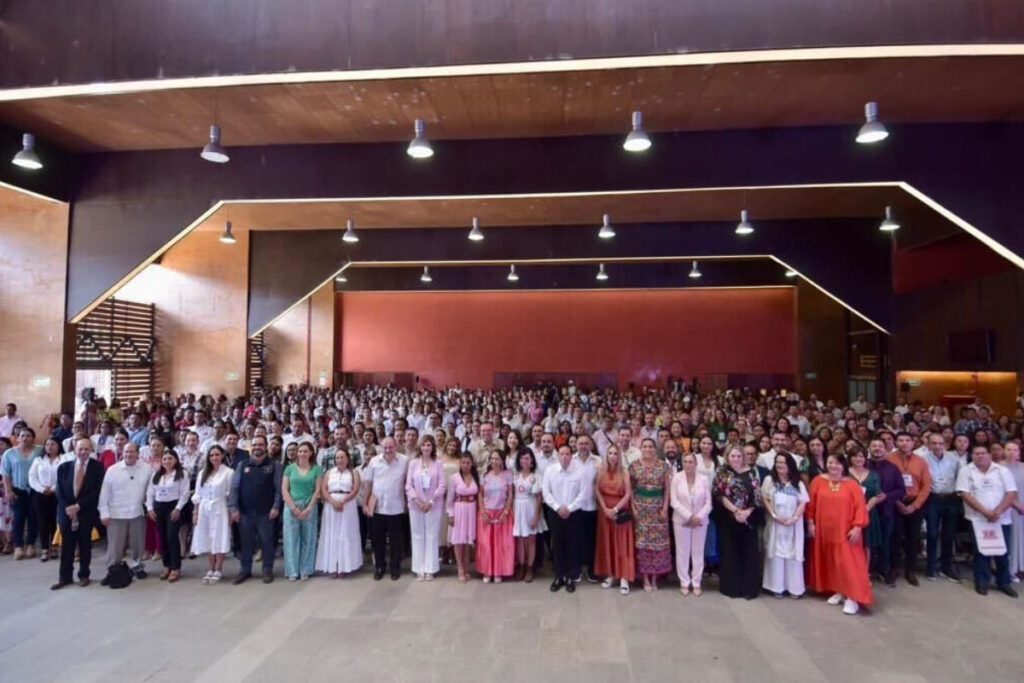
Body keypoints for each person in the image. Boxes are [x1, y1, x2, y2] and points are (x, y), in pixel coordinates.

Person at [807, 453, 873, 614]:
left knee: (849, 563)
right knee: (832, 561)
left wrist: (857, 527)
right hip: (824, 530)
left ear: (843, 466)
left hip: (846, 531)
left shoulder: (852, 485)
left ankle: (853, 597)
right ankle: (840, 590)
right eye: (830, 462)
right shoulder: (817, 481)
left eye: (837, 463)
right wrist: (810, 523)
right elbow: (810, 505)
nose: (833, 466)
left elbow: (860, 508)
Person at [956, 444, 1018, 598]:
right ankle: (982, 581)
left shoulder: (1002, 471)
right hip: (977, 519)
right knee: (981, 551)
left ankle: (1004, 582)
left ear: (990, 455)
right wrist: (986, 513)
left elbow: (1011, 493)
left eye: (983, 453)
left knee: (1003, 552)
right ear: (972, 455)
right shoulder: (966, 471)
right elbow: (965, 494)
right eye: (976, 453)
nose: (980, 456)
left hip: (1001, 519)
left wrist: (997, 512)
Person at [229, 435, 283, 584]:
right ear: (251, 447)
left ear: (265, 447)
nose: (257, 447)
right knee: (246, 543)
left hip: (266, 512)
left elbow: (279, 489)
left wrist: (276, 507)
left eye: (260, 444)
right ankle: (245, 570)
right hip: (245, 512)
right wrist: (233, 508)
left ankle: (267, 570)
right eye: (254, 445)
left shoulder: (274, 465)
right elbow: (234, 489)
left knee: (267, 542)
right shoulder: (242, 465)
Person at [713, 444, 764, 599]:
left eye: (739, 456)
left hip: (748, 519)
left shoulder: (751, 472)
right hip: (729, 519)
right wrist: (735, 511)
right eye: (733, 456)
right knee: (730, 553)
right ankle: (732, 588)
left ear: (743, 457)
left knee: (749, 554)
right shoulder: (722, 471)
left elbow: (757, 496)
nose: (736, 459)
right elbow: (719, 494)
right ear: (728, 457)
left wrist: (746, 512)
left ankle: (749, 589)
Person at [52, 438, 104, 589]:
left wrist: (79, 506)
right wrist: (68, 507)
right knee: (66, 545)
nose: (83, 452)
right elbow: (59, 490)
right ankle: (64, 577)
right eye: (80, 449)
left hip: (86, 511)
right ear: (75, 449)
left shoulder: (98, 467)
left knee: (85, 544)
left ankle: (84, 575)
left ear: (91, 450)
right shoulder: (63, 467)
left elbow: (96, 490)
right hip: (65, 511)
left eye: (87, 449)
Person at [98, 441, 150, 582]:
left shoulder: (146, 469)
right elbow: (104, 493)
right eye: (126, 452)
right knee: (115, 546)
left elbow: (150, 491)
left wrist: (149, 507)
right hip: (116, 513)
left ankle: (138, 567)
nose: (128, 454)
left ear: (138, 453)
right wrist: (104, 513)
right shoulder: (112, 470)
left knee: (138, 544)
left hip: (137, 512)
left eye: (132, 451)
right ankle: (112, 571)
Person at [761, 452, 809, 598]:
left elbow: (803, 502)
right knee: (776, 554)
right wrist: (774, 515)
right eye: (778, 462)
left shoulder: (798, 482)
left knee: (792, 555)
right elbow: (765, 499)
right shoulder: (770, 480)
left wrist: (794, 518)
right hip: (776, 523)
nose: (780, 465)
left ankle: (794, 588)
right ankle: (776, 587)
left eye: (783, 462)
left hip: (793, 525)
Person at [886, 432, 931, 586]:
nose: (904, 443)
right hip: (895, 503)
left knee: (913, 538)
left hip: (914, 504)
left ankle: (910, 570)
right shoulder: (889, 459)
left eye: (907, 440)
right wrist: (898, 503)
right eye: (900, 440)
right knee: (894, 537)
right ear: (896, 442)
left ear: (913, 443)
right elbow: (885, 483)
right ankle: (893, 569)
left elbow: (926, 486)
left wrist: (915, 505)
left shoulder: (921, 461)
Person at [363, 436, 409, 580]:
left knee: (396, 541)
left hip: (396, 507)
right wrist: (365, 503)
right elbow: (368, 483)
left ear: (396, 446)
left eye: (391, 447)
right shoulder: (374, 461)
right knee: (378, 540)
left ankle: (395, 567)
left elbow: (408, 482)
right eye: (385, 447)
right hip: (377, 507)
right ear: (381, 448)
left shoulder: (405, 461)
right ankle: (380, 566)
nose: (388, 450)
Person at [629, 438, 672, 592]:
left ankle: (655, 577)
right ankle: (645, 577)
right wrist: (633, 508)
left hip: (658, 509)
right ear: (641, 448)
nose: (648, 449)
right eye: (645, 446)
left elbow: (667, 489)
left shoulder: (663, 466)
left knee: (657, 546)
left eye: (650, 446)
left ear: (655, 449)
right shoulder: (634, 466)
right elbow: (631, 490)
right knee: (642, 545)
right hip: (641, 509)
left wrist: (665, 508)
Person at [542, 444, 585, 593]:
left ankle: (571, 576)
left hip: (574, 513)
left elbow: (583, 493)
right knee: (558, 544)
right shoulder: (550, 470)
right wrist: (558, 507)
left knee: (572, 544)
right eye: (562, 454)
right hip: (555, 512)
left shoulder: (579, 471)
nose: (565, 457)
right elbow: (546, 492)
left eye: (567, 454)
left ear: (571, 456)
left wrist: (570, 508)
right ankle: (559, 575)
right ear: (558, 455)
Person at [315, 447, 363, 577]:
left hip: (348, 505)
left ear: (348, 459)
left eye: (342, 457)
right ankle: (333, 565)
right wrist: (332, 501)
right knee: (332, 533)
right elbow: (324, 489)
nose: (339, 460)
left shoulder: (353, 473)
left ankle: (345, 565)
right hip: (331, 505)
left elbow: (355, 489)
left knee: (345, 533)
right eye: (337, 458)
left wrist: (343, 501)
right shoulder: (329, 472)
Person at [921, 433, 961, 583]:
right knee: (932, 533)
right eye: (934, 443)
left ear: (945, 444)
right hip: (932, 498)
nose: (937, 446)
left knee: (949, 535)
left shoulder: (954, 459)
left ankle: (946, 567)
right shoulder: (923, 460)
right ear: (929, 444)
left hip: (950, 498)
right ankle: (931, 567)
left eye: (940, 443)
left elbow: (959, 477)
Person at [405, 434, 445, 581]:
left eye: (429, 445)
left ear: (433, 447)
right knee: (417, 535)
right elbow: (408, 485)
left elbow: (441, 485)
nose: (426, 447)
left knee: (432, 536)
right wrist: (417, 501)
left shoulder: (438, 463)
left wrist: (430, 501)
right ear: (420, 447)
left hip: (433, 505)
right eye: (424, 445)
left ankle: (431, 568)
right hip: (416, 505)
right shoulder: (413, 463)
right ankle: (418, 568)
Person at [191, 445, 233, 584]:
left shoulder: (228, 473)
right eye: (212, 455)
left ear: (222, 456)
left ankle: (219, 568)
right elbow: (197, 493)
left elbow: (230, 495)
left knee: (219, 538)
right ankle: (210, 567)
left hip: (220, 508)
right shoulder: (203, 473)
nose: (214, 458)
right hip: (204, 509)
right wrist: (195, 512)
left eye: (217, 455)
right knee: (208, 538)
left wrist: (230, 513)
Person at [146, 449, 190, 582]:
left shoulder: (182, 474)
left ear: (176, 460)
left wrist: (178, 509)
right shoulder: (156, 474)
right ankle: (166, 565)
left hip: (173, 507)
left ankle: (175, 567)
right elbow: (150, 493)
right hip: (159, 507)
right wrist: (150, 508)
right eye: (164, 459)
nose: (167, 461)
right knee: (162, 538)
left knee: (172, 537)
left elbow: (185, 493)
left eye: (170, 458)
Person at [669, 452, 710, 596]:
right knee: (682, 552)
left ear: (696, 463)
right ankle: (684, 582)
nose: (688, 464)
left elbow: (708, 503)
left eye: (691, 462)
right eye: (685, 462)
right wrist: (689, 516)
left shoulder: (703, 479)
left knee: (698, 552)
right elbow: (674, 501)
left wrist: (698, 517)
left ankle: (697, 582)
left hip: (700, 521)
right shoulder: (676, 478)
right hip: (681, 520)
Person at [281, 442, 322, 581]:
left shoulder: (316, 469)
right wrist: (293, 507)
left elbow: (317, 490)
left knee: (308, 539)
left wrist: (309, 507)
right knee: (291, 539)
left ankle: (306, 569)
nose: (302, 454)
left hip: (309, 505)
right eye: (300, 451)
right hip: (291, 505)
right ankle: (292, 571)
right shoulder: (289, 468)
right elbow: (284, 489)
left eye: (305, 451)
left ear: (311, 453)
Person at [2, 427, 43, 559]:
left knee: (33, 517)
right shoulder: (9, 453)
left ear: (33, 438)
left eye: (28, 436)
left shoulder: (39, 450)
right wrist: (8, 490)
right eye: (22, 436)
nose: (25, 438)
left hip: (35, 490)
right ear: (18, 438)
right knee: (18, 518)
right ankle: (18, 546)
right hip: (17, 490)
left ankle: (30, 544)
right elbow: (5, 474)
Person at [476, 449, 514, 583]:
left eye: (497, 459)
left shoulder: (508, 475)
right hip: (487, 512)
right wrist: (482, 511)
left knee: (501, 544)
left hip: (501, 512)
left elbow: (510, 494)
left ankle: (499, 571)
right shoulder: (485, 475)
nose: (494, 461)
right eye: (492, 458)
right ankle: (487, 571)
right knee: (486, 544)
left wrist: (506, 511)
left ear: (502, 460)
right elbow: (480, 494)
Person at [847, 445, 886, 573]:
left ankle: (864, 573)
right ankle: (851, 573)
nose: (858, 459)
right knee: (850, 544)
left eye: (861, 456)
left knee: (866, 545)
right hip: (849, 514)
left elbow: (878, 494)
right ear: (850, 458)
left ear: (865, 458)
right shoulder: (845, 473)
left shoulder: (873, 475)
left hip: (868, 512)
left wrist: (868, 506)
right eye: (855, 456)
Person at [446, 452, 479, 583]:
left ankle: (467, 567)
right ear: (460, 463)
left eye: (468, 462)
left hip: (472, 509)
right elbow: (449, 499)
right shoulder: (454, 478)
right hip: (459, 509)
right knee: (458, 540)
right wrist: (451, 514)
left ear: (472, 464)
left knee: (467, 540)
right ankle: (460, 568)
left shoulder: (475, 476)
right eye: (463, 462)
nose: (465, 465)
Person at [28, 437, 62, 562]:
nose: (50, 446)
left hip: (57, 494)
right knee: (42, 522)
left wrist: (53, 488)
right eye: (47, 444)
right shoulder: (38, 460)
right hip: (40, 495)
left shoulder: (62, 460)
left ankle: (54, 547)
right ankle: (44, 548)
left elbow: (63, 478)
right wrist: (42, 489)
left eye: (53, 444)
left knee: (54, 521)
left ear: (58, 446)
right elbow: (32, 478)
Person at [574, 434, 601, 583]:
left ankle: (592, 570)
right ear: (576, 444)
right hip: (575, 508)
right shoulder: (571, 461)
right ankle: (576, 570)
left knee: (592, 541)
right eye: (580, 443)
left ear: (591, 445)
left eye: (586, 443)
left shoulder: (598, 461)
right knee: (576, 540)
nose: (583, 446)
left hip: (593, 507)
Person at [512, 449, 543, 582]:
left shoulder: (535, 477)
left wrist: (536, 515)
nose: (524, 461)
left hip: (530, 507)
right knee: (520, 539)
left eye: (527, 458)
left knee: (531, 539)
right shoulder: (515, 475)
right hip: (517, 507)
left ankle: (530, 567)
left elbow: (539, 498)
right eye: (522, 458)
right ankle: (522, 565)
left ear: (531, 461)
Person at [1005, 442, 1024, 580]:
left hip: (1022, 508)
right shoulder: (999, 467)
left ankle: (1021, 568)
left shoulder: (1023, 467)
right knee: (1011, 539)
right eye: (1009, 449)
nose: (1012, 452)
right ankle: (1010, 570)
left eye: (1015, 450)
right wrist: (1017, 505)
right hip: (1009, 508)